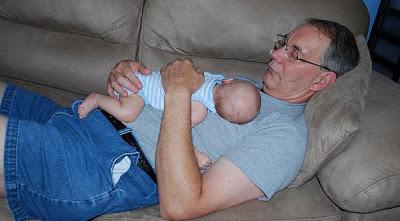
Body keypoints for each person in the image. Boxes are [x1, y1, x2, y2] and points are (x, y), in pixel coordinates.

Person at [0, 18, 359, 220]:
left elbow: (181, 205)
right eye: (282, 43)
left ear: (322, 79)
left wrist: (177, 93)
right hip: (87, 115)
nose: (275, 54)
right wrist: (126, 74)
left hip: (107, 162)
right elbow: (160, 86)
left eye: (294, 53)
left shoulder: (285, 136)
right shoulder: (246, 86)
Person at [78, 71, 261, 168]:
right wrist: (196, 155)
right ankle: (97, 99)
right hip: (140, 88)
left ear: (228, 81)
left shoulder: (214, 78)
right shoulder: (199, 110)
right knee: (128, 113)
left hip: (146, 78)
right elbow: (180, 133)